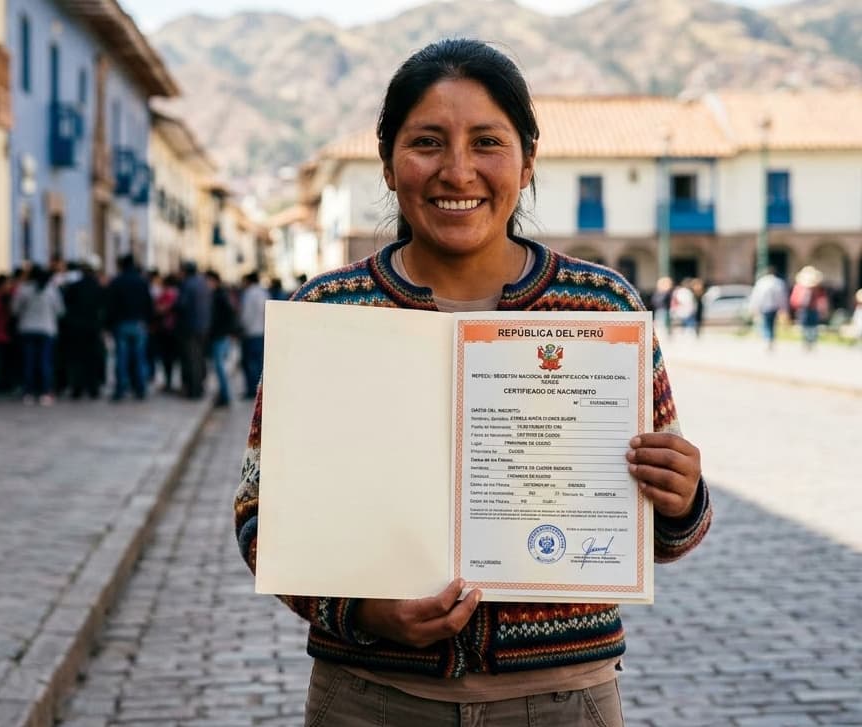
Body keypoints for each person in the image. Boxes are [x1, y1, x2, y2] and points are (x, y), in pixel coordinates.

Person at [233, 39, 711, 726]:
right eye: (427, 141)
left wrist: (682, 495)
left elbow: (669, 534)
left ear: (527, 160)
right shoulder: (328, 310)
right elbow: (260, 513)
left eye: (487, 142)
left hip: (564, 699)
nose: (458, 171)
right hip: (368, 698)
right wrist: (363, 612)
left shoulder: (601, 307)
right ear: (389, 163)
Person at [106, 254, 155, 401]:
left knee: (121, 358)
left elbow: (111, 305)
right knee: (139, 357)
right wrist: (149, 321)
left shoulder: (117, 281)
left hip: (122, 323)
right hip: (139, 323)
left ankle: (121, 388)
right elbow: (148, 303)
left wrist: (109, 324)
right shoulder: (142, 281)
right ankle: (140, 388)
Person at [14, 265, 64, 405]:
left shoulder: (24, 289)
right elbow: (60, 310)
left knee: (29, 361)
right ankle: (45, 391)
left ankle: (28, 392)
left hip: (27, 329)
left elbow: (15, 308)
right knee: (44, 361)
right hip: (46, 329)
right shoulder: (51, 290)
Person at [62, 257, 107, 400]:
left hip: (76, 328)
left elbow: (66, 307)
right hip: (92, 328)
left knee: (77, 359)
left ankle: (77, 387)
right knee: (92, 358)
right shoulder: (98, 288)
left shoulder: (74, 287)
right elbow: (103, 308)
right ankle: (93, 388)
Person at [176, 261, 212, 399]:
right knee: (199, 358)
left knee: (192, 359)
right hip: (203, 326)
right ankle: (199, 388)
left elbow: (181, 304)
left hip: (190, 327)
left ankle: (194, 390)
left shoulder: (187, 283)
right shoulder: (203, 283)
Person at [206, 270, 237, 407]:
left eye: (208, 281)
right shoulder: (219, 295)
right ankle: (223, 395)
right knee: (219, 367)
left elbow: (228, 315)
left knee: (219, 367)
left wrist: (224, 332)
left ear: (214, 281)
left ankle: (225, 396)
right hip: (220, 335)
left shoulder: (219, 296)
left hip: (219, 336)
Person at [238, 271, 267, 400]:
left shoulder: (249, 294)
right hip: (261, 332)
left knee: (250, 363)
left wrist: (241, 328)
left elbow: (246, 316)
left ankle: (252, 390)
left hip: (250, 333)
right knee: (259, 363)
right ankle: (259, 390)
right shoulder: (263, 293)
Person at [748, 266, 789, 351]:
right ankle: (770, 338)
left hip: (764, 307)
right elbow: (781, 297)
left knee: (766, 324)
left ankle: (768, 339)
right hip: (774, 307)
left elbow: (756, 296)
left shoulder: (761, 282)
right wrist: (783, 307)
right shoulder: (778, 282)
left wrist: (754, 307)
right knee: (772, 324)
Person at [790, 265, 830, 351]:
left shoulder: (816, 288)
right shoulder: (801, 287)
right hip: (806, 309)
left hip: (810, 309)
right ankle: (808, 342)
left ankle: (810, 342)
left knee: (810, 326)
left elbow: (822, 299)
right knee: (808, 326)